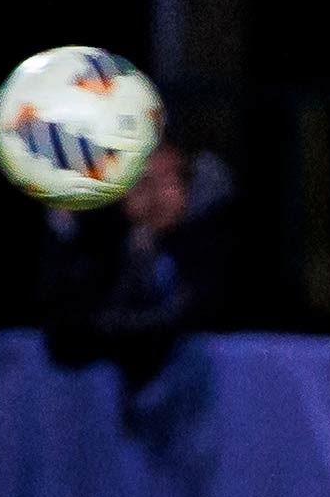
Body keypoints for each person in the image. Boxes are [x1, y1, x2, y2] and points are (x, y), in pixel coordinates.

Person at [39, 144, 235, 385]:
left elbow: (191, 318)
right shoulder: (110, 249)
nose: (155, 197)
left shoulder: (208, 250)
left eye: (168, 182)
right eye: (142, 183)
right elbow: (66, 334)